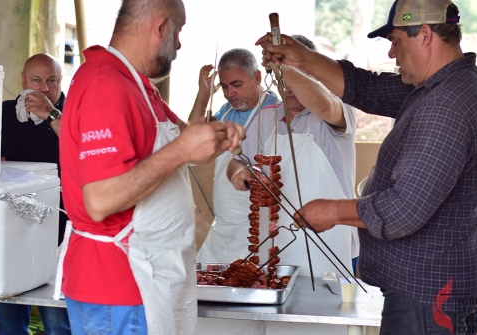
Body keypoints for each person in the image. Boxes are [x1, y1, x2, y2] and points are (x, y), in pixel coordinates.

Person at [258, 1, 477, 334]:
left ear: (424, 34)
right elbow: (364, 87)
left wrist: (332, 211)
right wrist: (301, 57)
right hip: (431, 285)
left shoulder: (446, 103)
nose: (393, 54)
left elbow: (402, 210)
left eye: (396, 42)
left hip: (430, 294)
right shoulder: (441, 84)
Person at [58, 0, 245, 334]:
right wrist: (182, 149)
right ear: (160, 28)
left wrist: (214, 139)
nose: (179, 44)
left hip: (148, 280)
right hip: (118, 284)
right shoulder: (105, 84)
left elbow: (186, 145)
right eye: (178, 32)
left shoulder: (139, 87)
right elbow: (100, 199)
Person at [228, 35, 359, 278]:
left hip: (332, 240)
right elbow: (237, 160)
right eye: (280, 80)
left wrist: (285, 67)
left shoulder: (338, 108)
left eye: (293, 78)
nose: (286, 88)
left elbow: (325, 106)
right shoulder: (266, 117)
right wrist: (237, 171)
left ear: (313, 75)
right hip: (278, 244)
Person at [0, 53, 71, 335]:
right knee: (8, 321)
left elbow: (81, 149)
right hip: (10, 232)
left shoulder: (73, 112)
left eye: (51, 81)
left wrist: (51, 113)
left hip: (58, 229)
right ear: (23, 81)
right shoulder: (4, 112)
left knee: (56, 323)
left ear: (61, 82)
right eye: (36, 80)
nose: (42, 89)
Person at [190, 48, 278, 263]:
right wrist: (203, 96)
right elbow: (190, 140)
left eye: (237, 85)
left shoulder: (274, 111)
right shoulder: (227, 111)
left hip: (256, 225)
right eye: (225, 86)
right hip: (224, 223)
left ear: (257, 77)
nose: (230, 94)